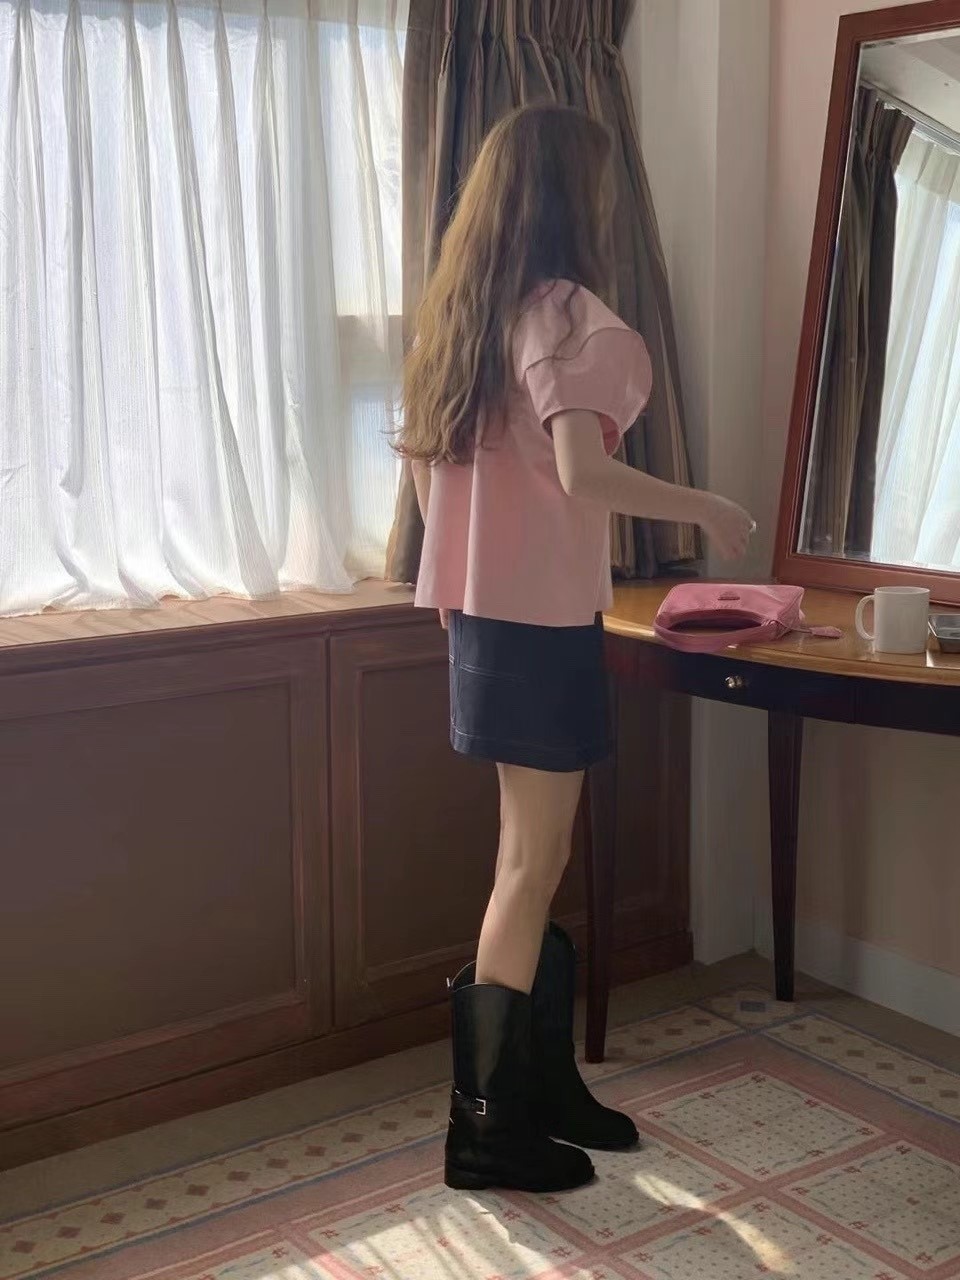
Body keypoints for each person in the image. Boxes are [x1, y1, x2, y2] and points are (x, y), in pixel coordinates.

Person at [397, 104, 754, 1194]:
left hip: (485, 617)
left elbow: (424, 468)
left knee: (528, 855)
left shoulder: (468, 312)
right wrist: (706, 507)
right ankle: (485, 1127)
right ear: (573, 197)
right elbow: (581, 472)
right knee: (531, 862)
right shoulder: (561, 315)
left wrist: (454, 591)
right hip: (540, 622)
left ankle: (538, 1087)